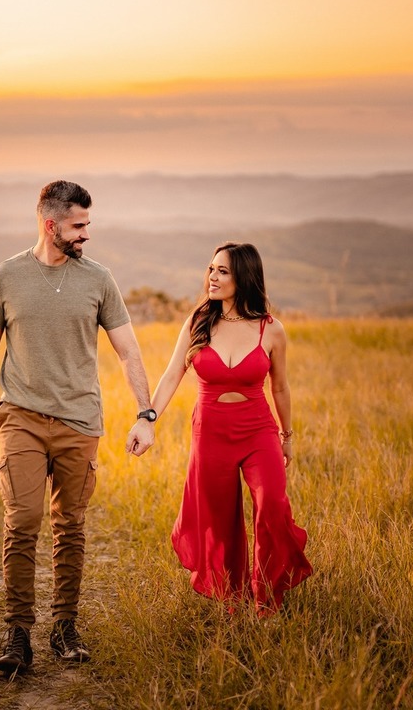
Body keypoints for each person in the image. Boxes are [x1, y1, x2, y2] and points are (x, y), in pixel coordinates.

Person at [0, 180, 157, 676]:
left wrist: (145, 413)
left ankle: (65, 627)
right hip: (21, 417)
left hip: (79, 422)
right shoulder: (6, 276)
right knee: (23, 519)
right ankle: (17, 632)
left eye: (87, 224)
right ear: (51, 225)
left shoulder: (99, 279)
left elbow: (128, 351)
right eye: (78, 225)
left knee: (70, 525)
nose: (86, 233)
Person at [149, 242, 312, 612]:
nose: (212, 277)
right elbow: (173, 374)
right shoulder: (198, 322)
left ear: (244, 277)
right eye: (211, 269)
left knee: (272, 505)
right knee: (219, 519)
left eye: (222, 271)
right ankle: (232, 599)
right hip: (210, 433)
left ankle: (266, 598)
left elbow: (280, 387)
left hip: (258, 430)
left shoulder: (271, 330)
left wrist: (287, 436)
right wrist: (148, 418)